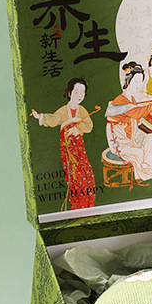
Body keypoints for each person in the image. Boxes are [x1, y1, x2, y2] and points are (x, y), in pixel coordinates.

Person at [31, 77, 96, 210]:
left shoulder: (82, 110)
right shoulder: (63, 111)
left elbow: (89, 126)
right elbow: (53, 119)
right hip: (68, 146)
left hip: (79, 145)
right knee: (74, 174)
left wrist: (77, 129)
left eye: (82, 92)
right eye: (76, 92)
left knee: (87, 173)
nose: (79, 95)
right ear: (69, 93)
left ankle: (88, 204)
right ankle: (77, 205)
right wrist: (40, 116)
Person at [105, 62, 152, 181]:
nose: (138, 86)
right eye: (135, 82)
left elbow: (141, 110)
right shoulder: (120, 100)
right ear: (128, 82)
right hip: (121, 141)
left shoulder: (133, 99)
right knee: (139, 153)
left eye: (140, 82)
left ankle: (149, 167)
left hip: (133, 137)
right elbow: (137, 112)